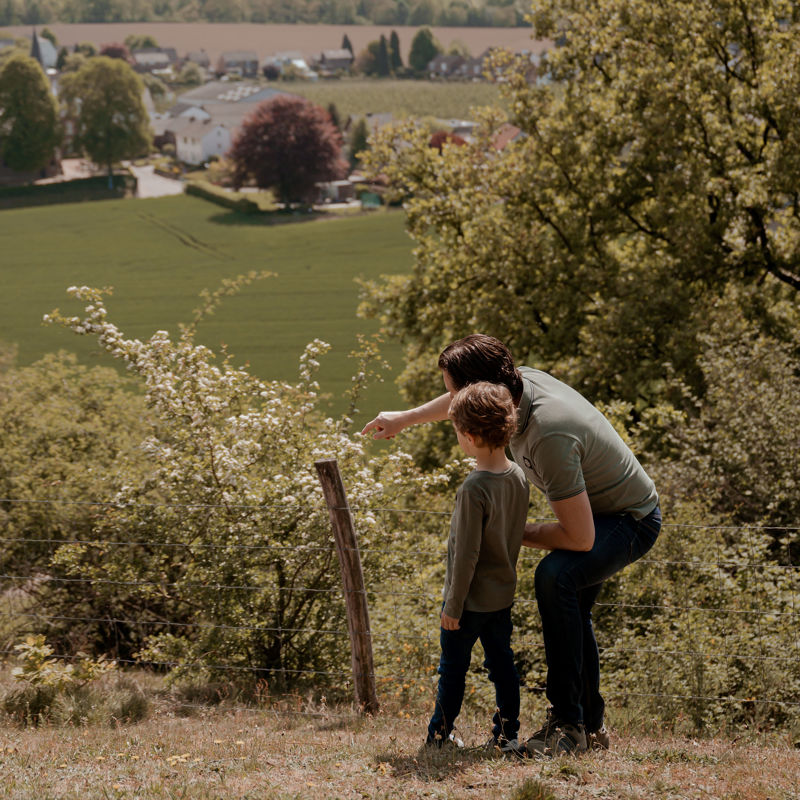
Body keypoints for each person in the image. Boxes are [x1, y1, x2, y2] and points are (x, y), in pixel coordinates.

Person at [362, 334, 662, 757]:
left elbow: (580, 537)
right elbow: (461, 401)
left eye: (453, 394)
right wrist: (404, 418)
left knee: (556, 578)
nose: (449, 405)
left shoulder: (548, 433)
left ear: (481, 392)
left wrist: (505, 530)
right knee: (571, 602)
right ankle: (587, 726)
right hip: (594, 513)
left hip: (628, 518)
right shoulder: (516, 387)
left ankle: (569, 724)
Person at [424, 381, 529, 753]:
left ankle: (439, 736)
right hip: (501, 598)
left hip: (467, 604)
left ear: (468, 436)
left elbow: (466, 554)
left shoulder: (473, 488)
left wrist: (452, 607)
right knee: (503, 667)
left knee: (452, 671)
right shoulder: (518, 476)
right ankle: (507, 736)